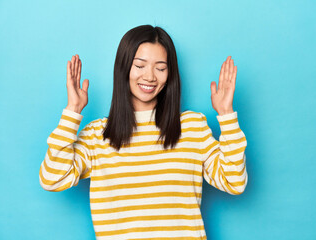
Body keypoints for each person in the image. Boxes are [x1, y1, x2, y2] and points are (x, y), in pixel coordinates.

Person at [39, 24, 247, 240]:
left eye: (160, 68)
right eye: (140, 65)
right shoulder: (98, 135)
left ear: (170, 74)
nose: (150, 76)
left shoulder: (192, 127)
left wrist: (226, 115)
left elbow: (234, 182)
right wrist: (72, 111)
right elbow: (52, 179)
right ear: (124, 67)